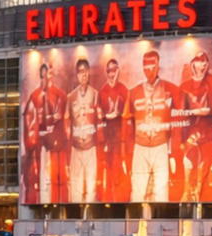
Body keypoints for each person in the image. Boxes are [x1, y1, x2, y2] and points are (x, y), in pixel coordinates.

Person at [128, 48, 180, 204]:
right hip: (140, 146)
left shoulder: (170, 89)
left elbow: (178, 121)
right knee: (137, 191)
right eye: (146, 65)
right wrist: (127, 150)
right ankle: (134, 228)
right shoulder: (134, 92)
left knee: (161, 191)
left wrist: (174, 151)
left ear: (158, 66)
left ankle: (161, 228)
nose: (149, 69)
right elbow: (127, 122)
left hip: (161, 145)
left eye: (152, 65)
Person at [176, 50, 212, 202]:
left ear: (207, 64)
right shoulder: (184, 86)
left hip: (209, 135)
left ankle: (199, 195)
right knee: (187, 164)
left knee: (204, 170)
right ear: (192, 64)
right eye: (197, 61)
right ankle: (187, 194)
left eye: (203, 61)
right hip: (191, 134)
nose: (200, 64)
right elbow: (180, 115)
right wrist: (182, 141)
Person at [21, 60, 67, 205]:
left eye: (49, 72)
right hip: (38, 149)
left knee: (54, 181)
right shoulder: (34, 96)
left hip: (54, 148)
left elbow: (63, 125)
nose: (47, 76)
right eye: (44, 73)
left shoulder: (60, 95)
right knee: (38, 181)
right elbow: (28, 125)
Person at [66, 57, 101, 203]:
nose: (83, 75)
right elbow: (67, 121)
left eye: (86, 71)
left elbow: (99, 120)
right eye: (80, 72)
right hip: (76, 147)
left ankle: (91, 219)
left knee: (91, 186)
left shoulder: (95, 94)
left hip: (91, 146)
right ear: (77, 75)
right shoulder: (71, 96)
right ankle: (76, 219)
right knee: (76, 187)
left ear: (89, 73)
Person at [96, 57, 130, 202]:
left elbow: (127, 114)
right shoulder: (102, 91)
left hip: (121, 140)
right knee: (107, 172)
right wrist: (108, 116)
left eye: (115, 70)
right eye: (110, 70)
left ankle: (121, 200)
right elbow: (98, 116)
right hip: (107, 140)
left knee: (120, 172)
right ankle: (107, 200)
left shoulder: (123, 89)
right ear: (106, 72)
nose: (112, 74)